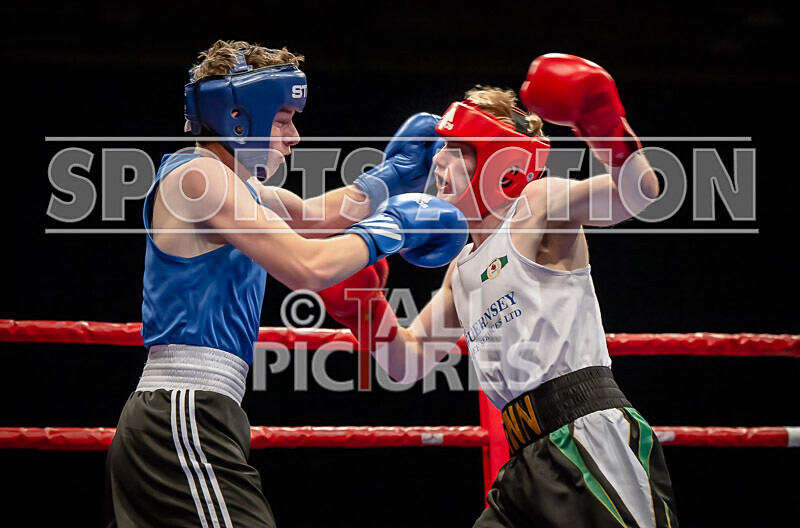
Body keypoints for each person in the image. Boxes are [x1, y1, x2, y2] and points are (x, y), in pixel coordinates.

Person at [104, 39, 467, 527]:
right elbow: (306, 266)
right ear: (239, 116)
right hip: (183, 414)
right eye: (282, 120)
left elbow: (317, 217)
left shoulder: (238, 187)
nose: (294, 136)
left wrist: (394, 176)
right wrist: (393, 228)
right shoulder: (200, 177)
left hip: (190, 415)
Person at [320, 54, 678, 527]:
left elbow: (636, 194)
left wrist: (604, 125)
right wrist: (364, 310)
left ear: (502, 164)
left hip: (587, 433)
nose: (439, 161)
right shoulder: (461, 266)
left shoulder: (536, 205)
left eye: (458, 148)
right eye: (442, 146)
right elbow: (407, 362)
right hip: (523, 458)